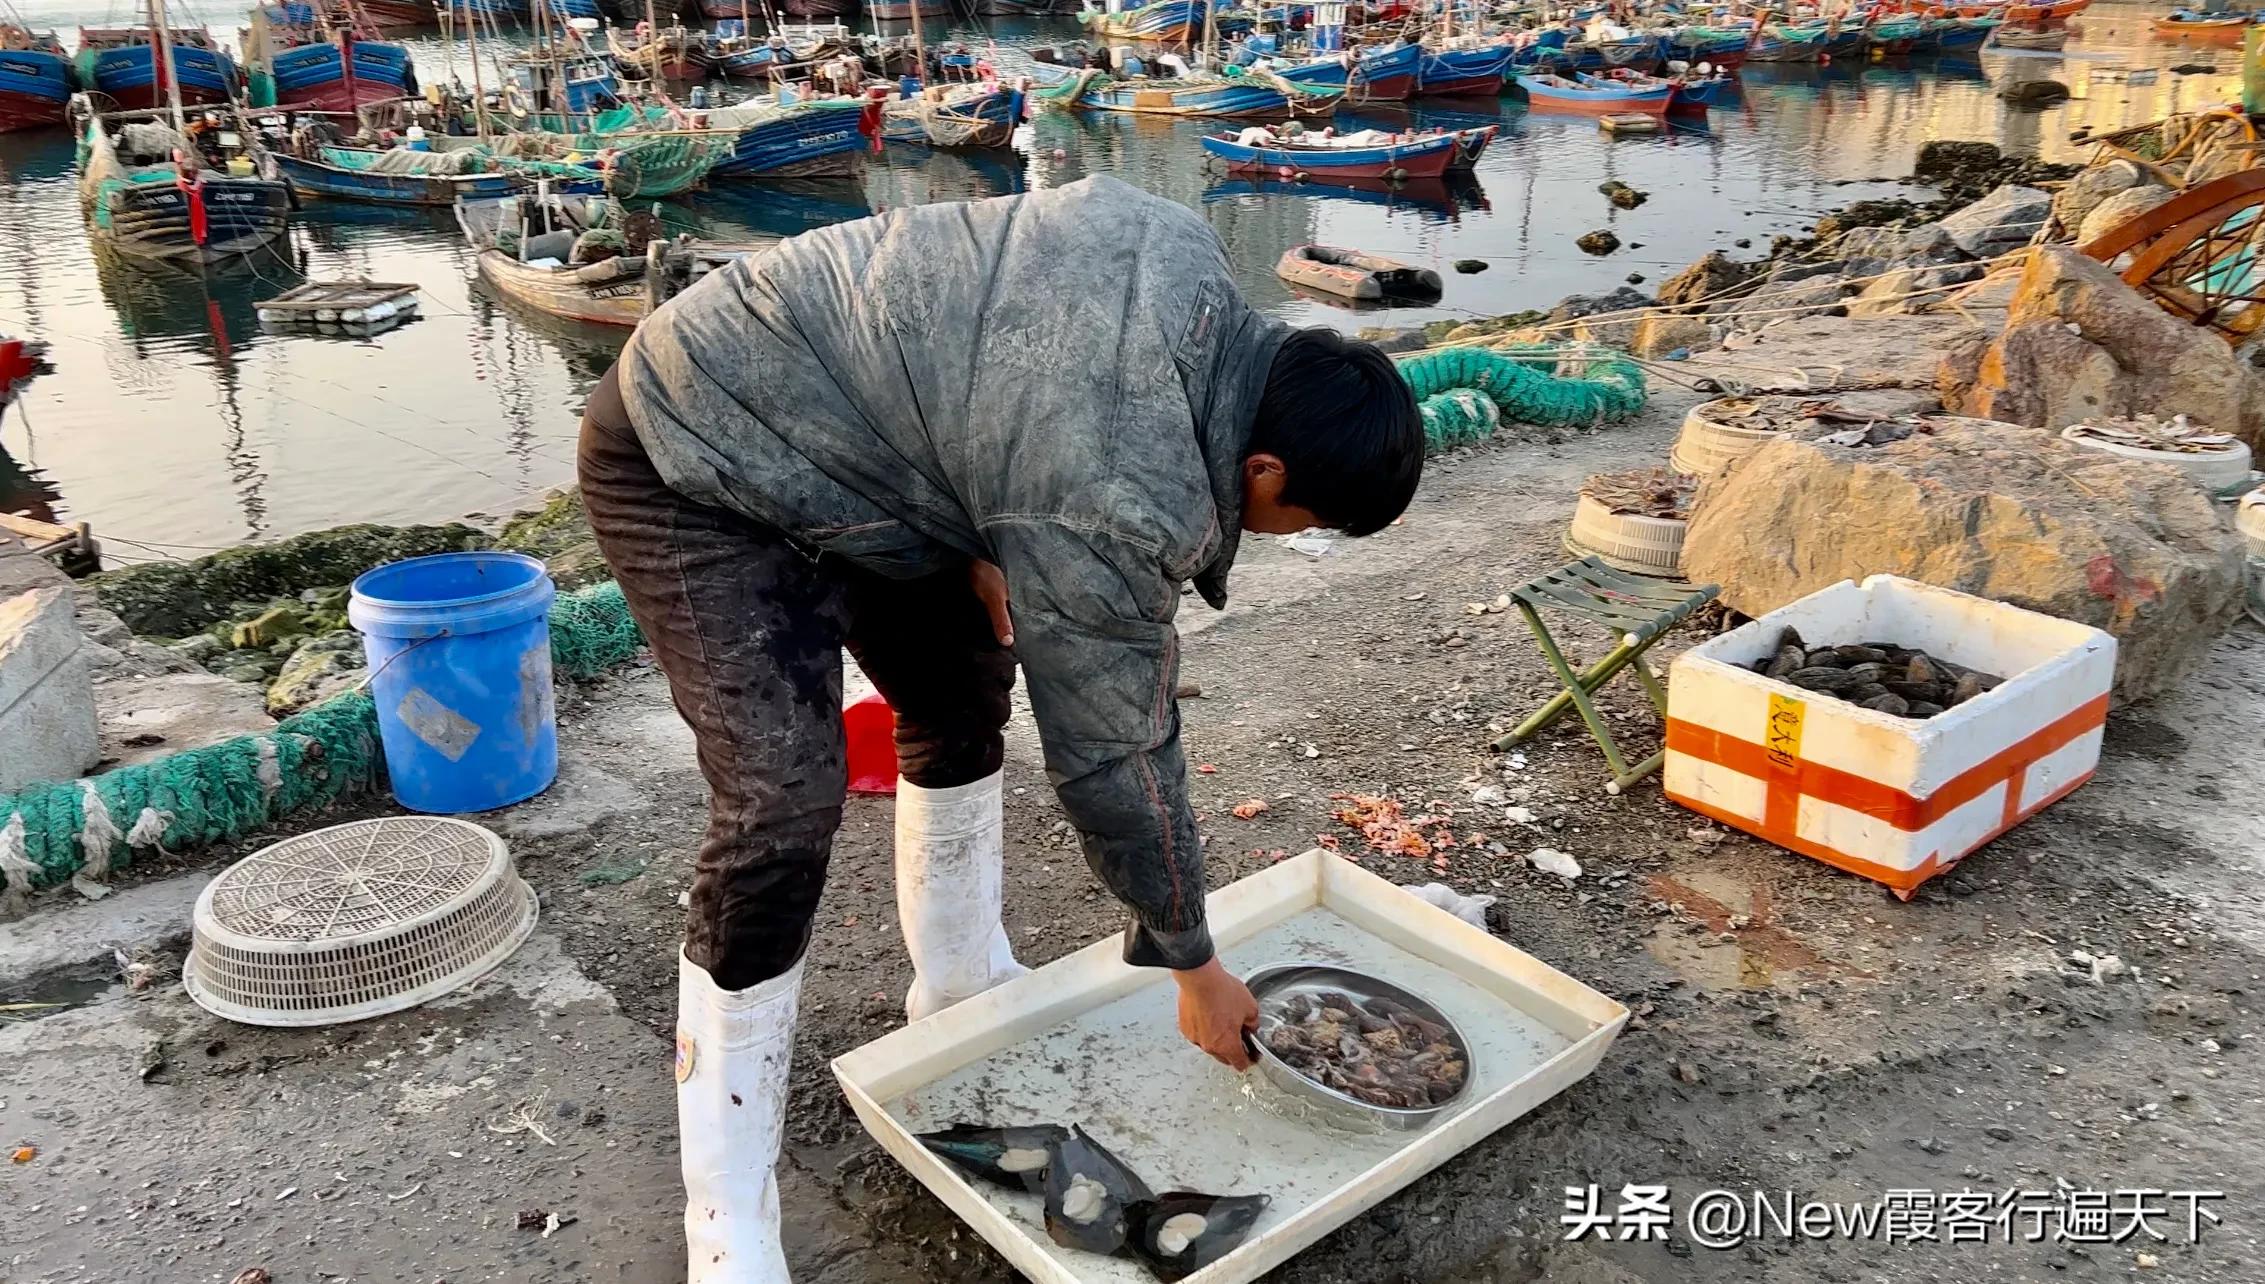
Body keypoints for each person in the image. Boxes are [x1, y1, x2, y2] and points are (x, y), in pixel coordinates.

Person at [577, 176, 1423, 1282]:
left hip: (872, 452)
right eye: (1292, 521)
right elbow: (1116, 745)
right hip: (696, 447)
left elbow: (995, 355)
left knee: (964, 688)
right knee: (780, 800)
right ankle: (728, 1216)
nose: (1268, 534)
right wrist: (1192, 962)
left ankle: (962, 983)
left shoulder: (1192, 270)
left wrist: (998, 517)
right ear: (1263, 466)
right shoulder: (1123, 485)